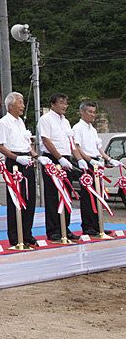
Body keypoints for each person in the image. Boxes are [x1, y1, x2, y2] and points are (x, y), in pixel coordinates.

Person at [37, 92, 84, 242]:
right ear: (53, 104)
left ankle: (65, 227)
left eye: (66, 103)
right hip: (53, 158)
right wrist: (59, 158)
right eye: (62, 103)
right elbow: (46, 140)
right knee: (52, 196)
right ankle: (53, 231)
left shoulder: (66, 121)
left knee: (66, 195)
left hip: (66, 159)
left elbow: (71, 142)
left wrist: (79, 159)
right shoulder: (46, 119)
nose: (65, 106)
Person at [0, 91, 38, 246]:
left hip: (26, 159)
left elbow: (27, 144)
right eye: (20, 102)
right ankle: (15, 236)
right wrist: (16, 158)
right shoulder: (4, 122)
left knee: (30, 197)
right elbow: (0, 146)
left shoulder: (21, 122)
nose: (23, 106)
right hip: (14, 161)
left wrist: (37, 156)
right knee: (15, 199)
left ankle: (27, 233)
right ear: (10, 105)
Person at [73, 101, 121, 236]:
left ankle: (97, 224)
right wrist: (87, 160)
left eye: (94, 112)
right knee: (88, 195)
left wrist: (109, 159)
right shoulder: (78, 128)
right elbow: (77, 146)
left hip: (95, 162)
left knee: (98, 195)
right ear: (82, 112)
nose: (92, 115)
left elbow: (97, 148)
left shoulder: (92, 129)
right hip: (86, 162)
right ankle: (88, 226)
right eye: (89, 112)